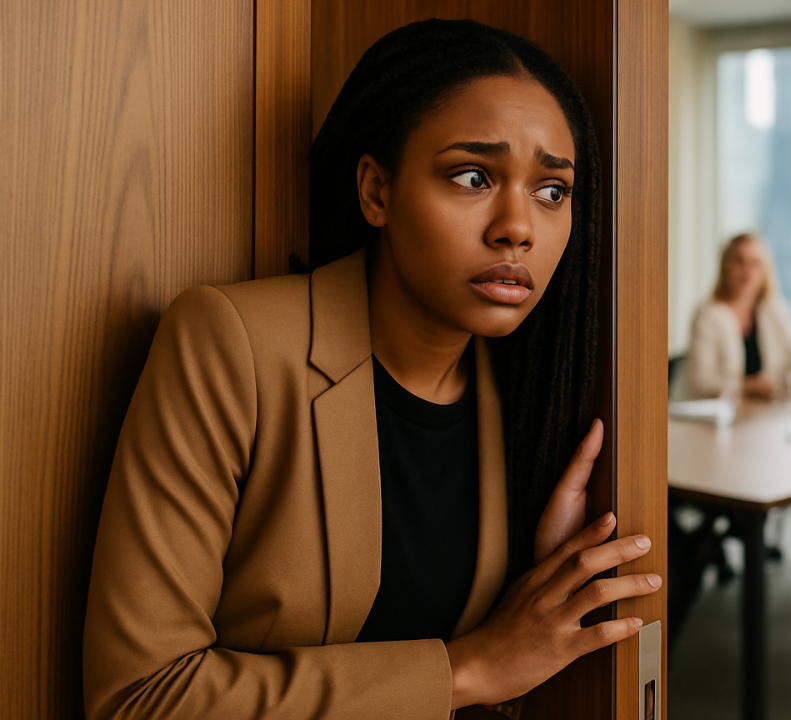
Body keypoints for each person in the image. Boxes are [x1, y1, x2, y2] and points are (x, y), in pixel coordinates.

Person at [82, 20, 660, 720]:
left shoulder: (518, 397)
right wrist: (466, 670)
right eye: (473, 176)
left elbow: (507, 665)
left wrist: (539, 573)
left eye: (552, 191)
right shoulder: (233, 343)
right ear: (376, 191)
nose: (519, 227)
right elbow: (140, 695)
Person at [680, 232, 791, 400]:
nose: (747, 270)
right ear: (725, 267)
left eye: (755, 263)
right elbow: (699, 384)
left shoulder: (774, 309)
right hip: (722, 412)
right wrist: (749, 387)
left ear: (765, 270)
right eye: (739, 261)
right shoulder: (707, 316)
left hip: (768, 411)